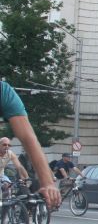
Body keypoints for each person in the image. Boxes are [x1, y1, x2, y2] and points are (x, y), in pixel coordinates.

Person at [0, 81, 59, 209]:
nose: (6, 147)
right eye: (4, 145)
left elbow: (29, 139)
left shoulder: (4, 92)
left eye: (7, 145)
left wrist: (47, 183)